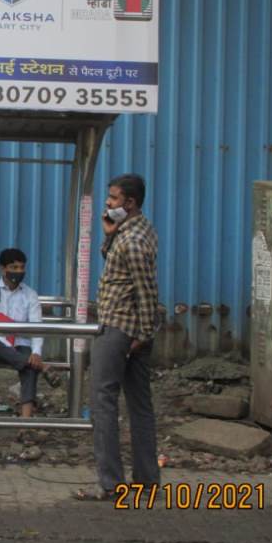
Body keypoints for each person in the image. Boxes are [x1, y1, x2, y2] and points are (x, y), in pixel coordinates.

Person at [76, 173, 161, 501]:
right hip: (130, 330)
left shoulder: (132, 241)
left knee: (103, 402)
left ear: (129, 203)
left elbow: (146, 290)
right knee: (140, 406)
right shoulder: (138, 230)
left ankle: (111, 483)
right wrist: (108, 235)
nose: (108, 203)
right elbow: (118, 270)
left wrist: (142, 334)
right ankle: (147, 481)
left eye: (112, 198)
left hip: (119, 328)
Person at [0, 248, 59, 421]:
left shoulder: (30, 295)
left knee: (29, 366)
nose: (19, 272)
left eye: (21, 267)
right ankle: (42, 367)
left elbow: (36, 326)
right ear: (3, 269)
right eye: (14, 267)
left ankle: (25, 422)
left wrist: (36, 353)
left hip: (20, 344)